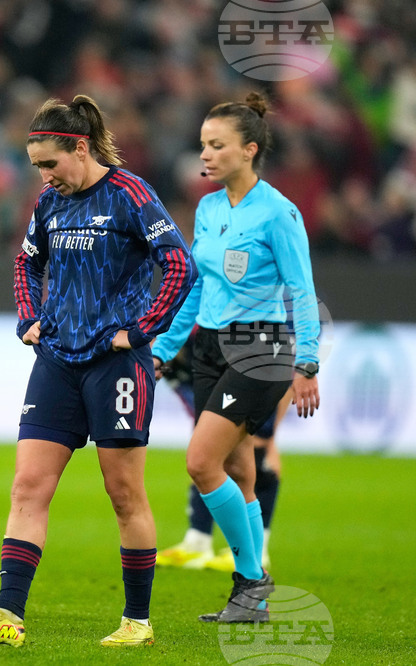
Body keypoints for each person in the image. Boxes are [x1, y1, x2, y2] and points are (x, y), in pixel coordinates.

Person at [0, 95, 196, 648]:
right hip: (57, 360)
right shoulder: (50, 204)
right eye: (36, 166)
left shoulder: (130, 194)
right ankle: (8, 616)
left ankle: (137, 622)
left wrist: (142, 330)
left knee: (124, 493)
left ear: (78, 148)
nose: (43, 175)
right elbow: (26, 261)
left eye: (49, 163)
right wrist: (30, 316)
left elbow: (179, 263)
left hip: (116, 366)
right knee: (27, 486)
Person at [151, 93, 321, 623]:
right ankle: (253, 599)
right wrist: (163, 347)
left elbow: (303, 290)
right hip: (210, 347)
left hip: (262, 350)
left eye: (216, 145)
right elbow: (198, 288)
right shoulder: (207, 207)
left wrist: (308, 363)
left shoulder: (278, 212)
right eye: (203, 144)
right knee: (237, 469)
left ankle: (252, 577)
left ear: (248, 150)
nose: (204, 154)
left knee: (201, 462)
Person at [155, 331, 291, 571]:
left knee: (258, 461)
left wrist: (271, 435)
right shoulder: (170, 364)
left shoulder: (204, 340)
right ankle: (198, 541)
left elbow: (284, 379)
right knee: (205, 461)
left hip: (259, 374)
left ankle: (258, 551)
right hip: (228, 393)